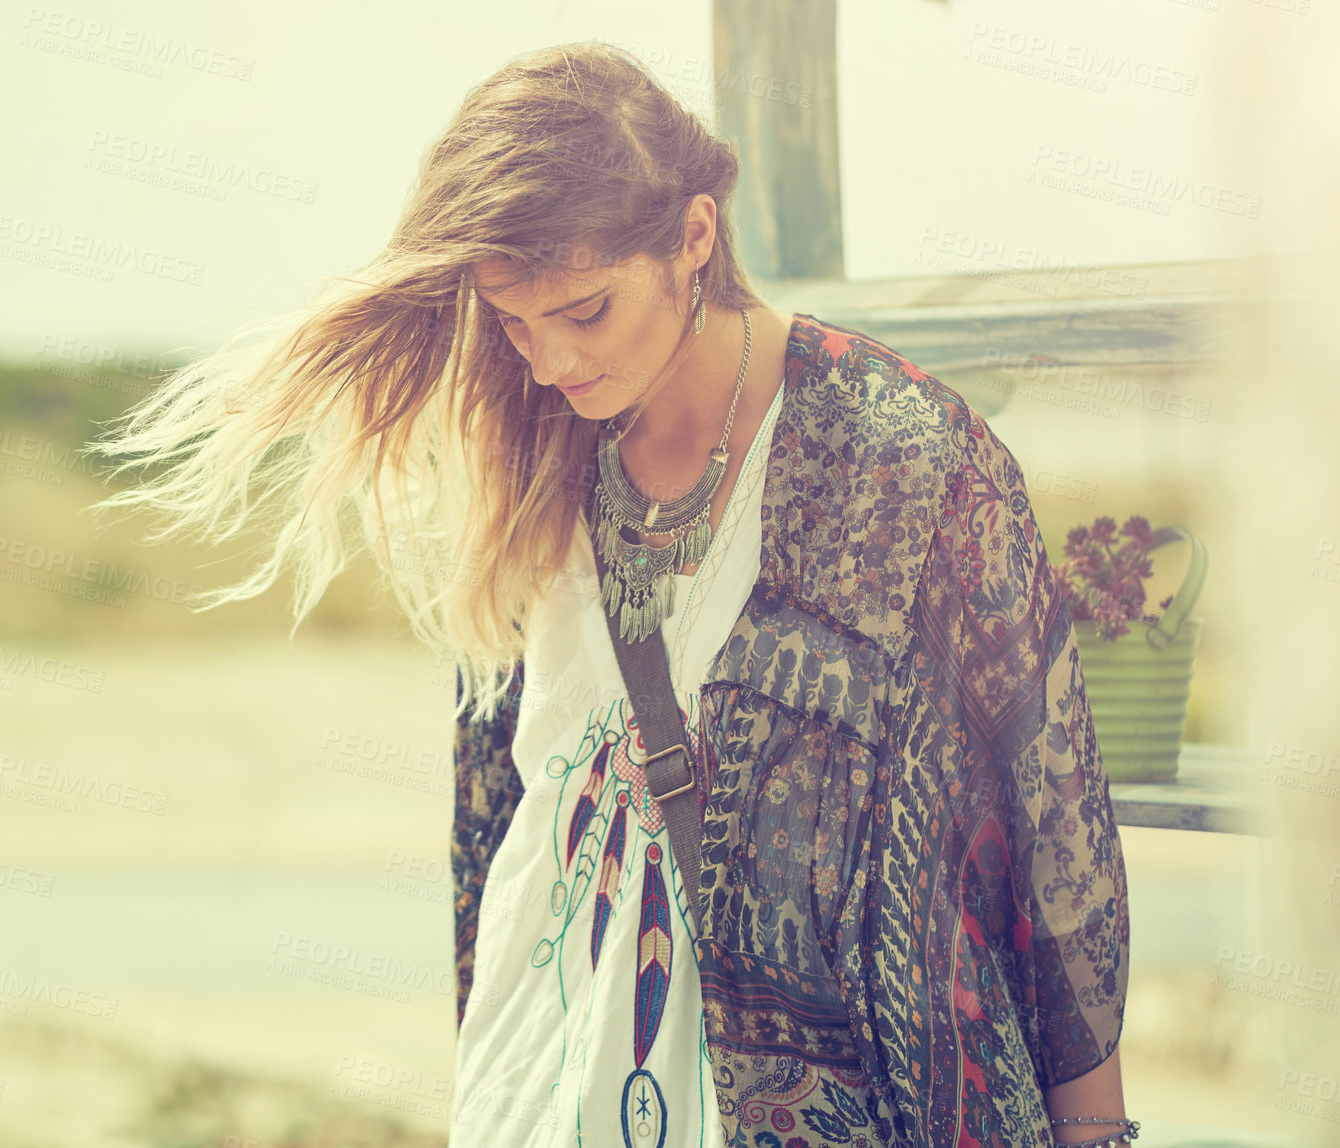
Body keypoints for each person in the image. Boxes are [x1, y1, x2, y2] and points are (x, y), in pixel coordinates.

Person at [89, 41, 1133, 1148]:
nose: (547, 361)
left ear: (694, 236)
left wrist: (1098, 1134)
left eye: (583, 310)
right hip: (549, 1081)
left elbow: (1054, 831)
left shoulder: (903, 456)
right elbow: (496, 824)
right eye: (516, 321)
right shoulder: (529, 463)